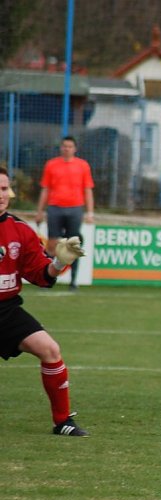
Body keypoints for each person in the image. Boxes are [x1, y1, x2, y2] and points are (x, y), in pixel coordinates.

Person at [0, 166, 89, 436]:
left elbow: (41, 276)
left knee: (50, 350)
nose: (1, 195)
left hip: (6, 310)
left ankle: (63, 422)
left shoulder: (20, 230)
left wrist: (59, 262)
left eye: (4, 189)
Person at [35, 136, 95, 290]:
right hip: (55, 208)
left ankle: (73, 281)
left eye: (70, 146)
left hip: (75, 208)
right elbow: (45, 189)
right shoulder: (51, 165)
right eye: (64, 146)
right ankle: (46, 279)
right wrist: (40, 211)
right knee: (52, 245)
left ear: (75, 149)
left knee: (72, 245)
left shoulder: (83, 166)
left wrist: (90, 212)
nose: (67, 149)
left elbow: (87, 189)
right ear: (61, 148)